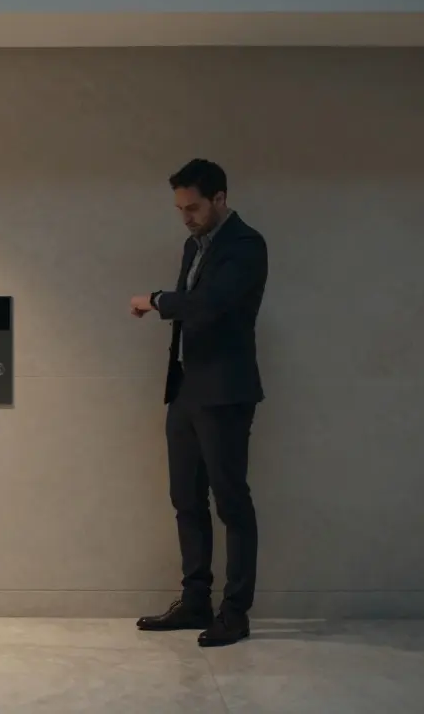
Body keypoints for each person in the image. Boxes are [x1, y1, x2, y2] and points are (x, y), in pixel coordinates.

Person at [129, 159, 268, 647]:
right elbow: (194, 309)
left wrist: (157, 300)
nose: (186, 217)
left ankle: (235, 612)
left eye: (193, 208)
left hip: (226, 391)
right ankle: (195, 601)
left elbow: (210, 303)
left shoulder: (246, 245)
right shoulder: (195, 245)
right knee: (185, 498)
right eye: (180, 209)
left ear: (220, 198)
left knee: (231, 501)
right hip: (188, 388)